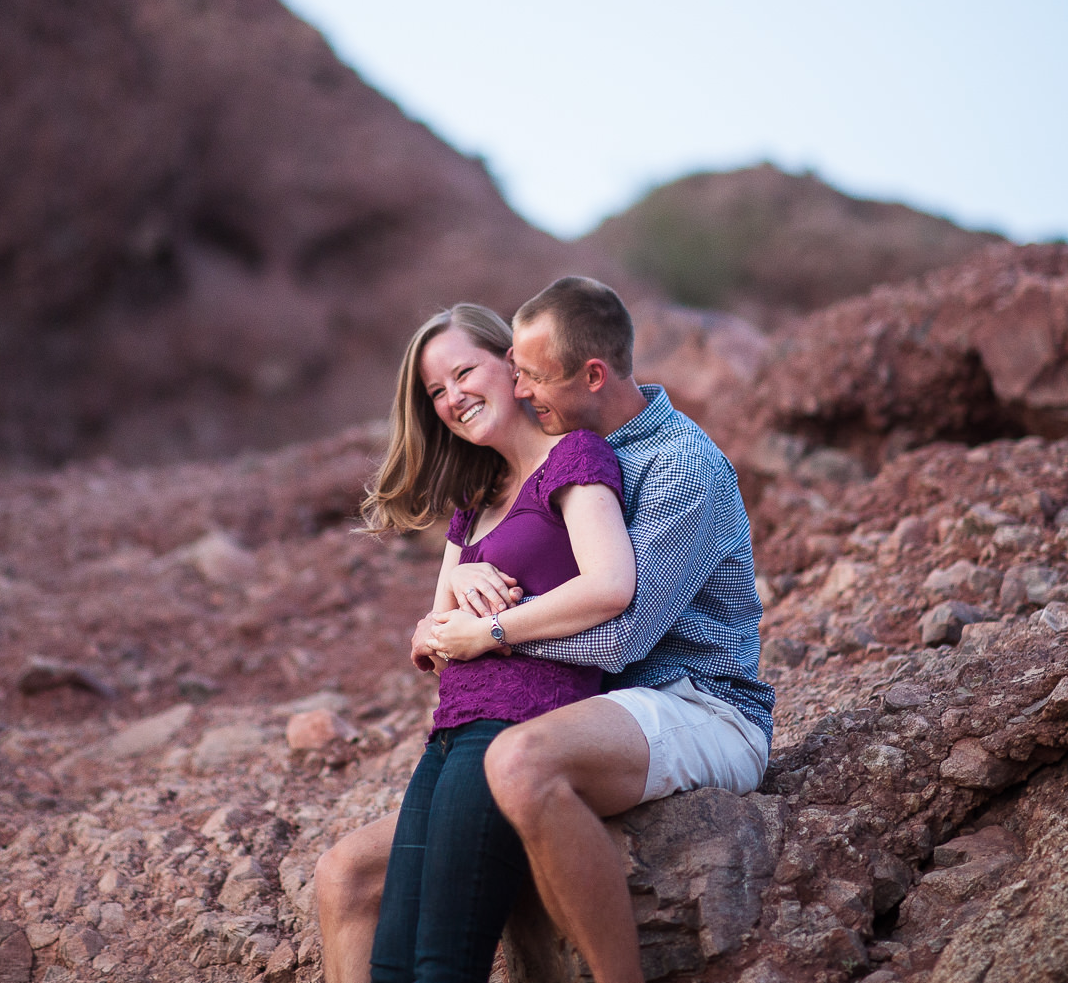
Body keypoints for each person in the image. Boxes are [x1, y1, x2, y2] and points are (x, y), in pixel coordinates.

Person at [316, 277, 775, 983]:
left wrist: (488, 630)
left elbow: (623, 633)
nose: (523, 392)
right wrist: (449, 611)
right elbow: (501, 587)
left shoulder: (679, 464)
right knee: (349, 870)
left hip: (698, 701)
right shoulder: (567, 456)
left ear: (591, 374)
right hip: (594, 710)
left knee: (518, 760)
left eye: (529, 376)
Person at [357, 302, 637, 983]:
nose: (452, 398)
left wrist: (485, 624)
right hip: (449, 732)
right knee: (393, 962)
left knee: (441, 964)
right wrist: (459, 590)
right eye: (435, 391)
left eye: (462, 372)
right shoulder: (474, 497)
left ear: (511, 366)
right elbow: (433, 639)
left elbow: (611, 584)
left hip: (516, 725)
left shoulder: (573, 457)